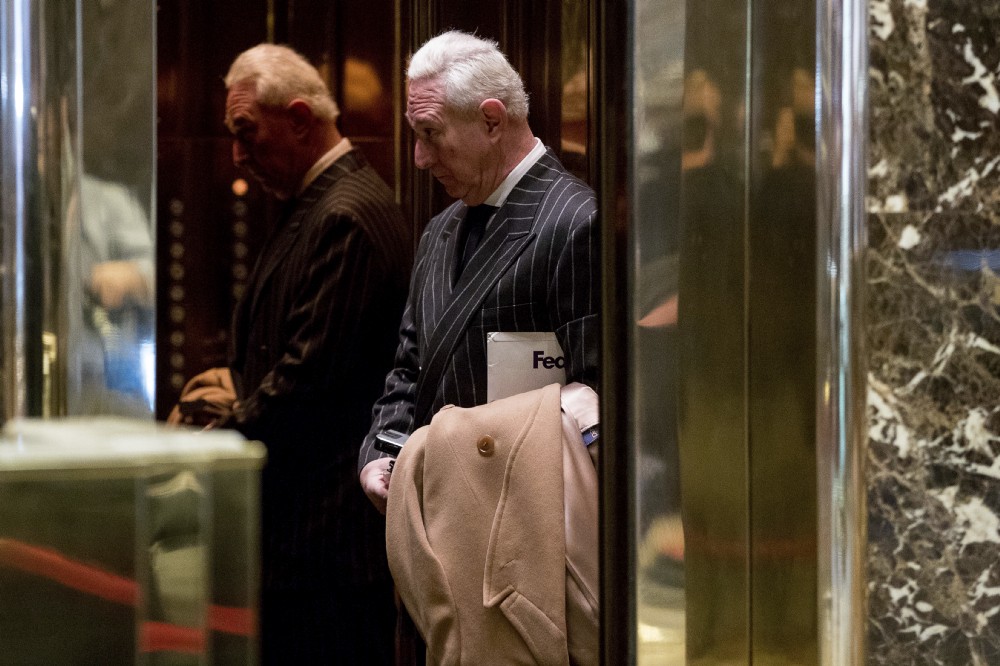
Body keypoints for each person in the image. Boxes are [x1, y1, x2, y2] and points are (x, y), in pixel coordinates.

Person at [169, 43, 411, 664]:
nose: (238, 155)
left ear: (300, 119)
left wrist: (209, 441)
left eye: (247, 133)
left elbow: (308, 386)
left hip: (326, 548)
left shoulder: (345, 215)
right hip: (303, 544)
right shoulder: (319, 203)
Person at [358, 29, 599, 513]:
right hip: (435, 517)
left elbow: (598, 399)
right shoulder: (440, 229)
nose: (420, 158)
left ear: (492, 120)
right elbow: (410, 367)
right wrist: (380, 455)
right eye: (415, 136)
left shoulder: (575, 222)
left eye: (431, 134)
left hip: (525, 526)